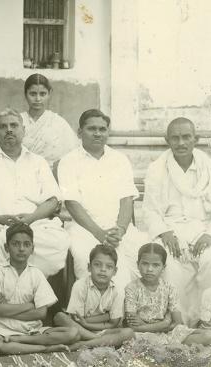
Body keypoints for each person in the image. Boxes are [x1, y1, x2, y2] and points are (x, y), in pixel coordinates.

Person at [0, 108, 69, 286]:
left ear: (23, 130)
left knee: (58, 242)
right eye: (3, 127)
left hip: (34, 224)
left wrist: (30, 219)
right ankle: (1, 307)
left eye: (14, 125)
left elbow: (52, 201)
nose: (9, 130)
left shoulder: (38, 162)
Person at [143, 117, 211, 325]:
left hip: (202, 228)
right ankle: (178, 324)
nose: (181, 143)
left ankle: (207, 321)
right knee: (168, 264)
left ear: (196, 139)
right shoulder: (157, 168)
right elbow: (151, 210)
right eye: (175, 138)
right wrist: (164, 233)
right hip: (169, 228)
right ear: (167, 140)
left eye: (186, 137)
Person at [59, 109, 149, 288]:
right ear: (80, 132)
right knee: (89, 258)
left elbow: (126, 199)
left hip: (118, 228)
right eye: (92, 129)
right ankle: (94, 312)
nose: (98, 133)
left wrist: (120, 230)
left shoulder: (119, 160)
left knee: (147, 255)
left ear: (108, 132)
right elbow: (72, 203)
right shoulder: (68, 161)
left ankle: (136, 310)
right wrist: (99, 233)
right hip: (83, 228)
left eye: (102, 129)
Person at [0, 223, 79, 355]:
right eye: (16, 244)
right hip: (3, 329)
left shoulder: (36, 274)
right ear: (7, 247)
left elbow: (41, 313)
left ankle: (21, 341)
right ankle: (46, 349)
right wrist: (29, 305)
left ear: (32, 248)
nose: (21, 249)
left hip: (32, 331)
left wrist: (6, 308)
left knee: (73, 333)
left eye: (26, 244)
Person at [123, 243, 210, 346]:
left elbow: (177, 321)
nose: (150, 269)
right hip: (143, 335)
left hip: (167, 333)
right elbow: (132, 326)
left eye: (156, 265)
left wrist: (146, 325)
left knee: (208, 336)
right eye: (145, 264)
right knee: (129, 336)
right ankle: (167, 346)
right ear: (138, 264)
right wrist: (164, 323)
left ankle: (167, 345)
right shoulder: (132, 288)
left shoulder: (169, 288)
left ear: (163, 267)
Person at [53, 245, 135, 350]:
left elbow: (114, 323)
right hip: (79, 329)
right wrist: (106, 316)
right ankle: (97, 340)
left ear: (115, 271)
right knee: (60, 317)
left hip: (103, 331)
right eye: (97, 265)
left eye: (109, 267)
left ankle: (83, 344)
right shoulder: (80, 285)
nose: (103, 270)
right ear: (89, 267)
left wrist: (87, 322)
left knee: (129, 332)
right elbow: (77, 319)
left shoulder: (117, 291)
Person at [19, 73, 79, 164]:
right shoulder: (18, 120)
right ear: (25, 94)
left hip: (50, 173)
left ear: (49, 94)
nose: (38, 99)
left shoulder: (58, 122)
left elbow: (71, 152)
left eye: (42, 94)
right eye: (33, 94)